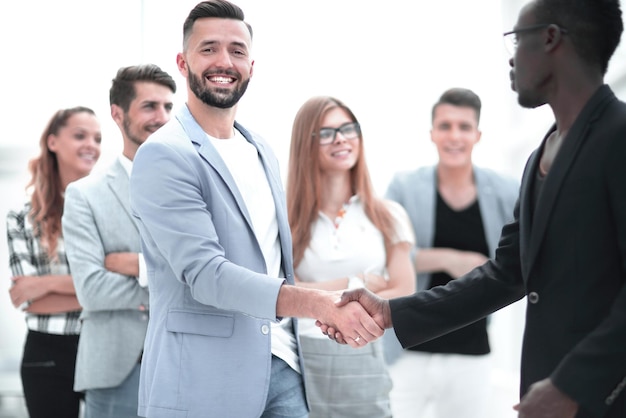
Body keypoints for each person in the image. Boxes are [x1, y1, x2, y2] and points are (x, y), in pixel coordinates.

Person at [325, 0, 626, 417]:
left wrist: (571, 385)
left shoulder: (619, 137)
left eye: (517, 40)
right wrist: (391, 311)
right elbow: (506, 274)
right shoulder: (541, 155)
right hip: (544, 392)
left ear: (550, 39)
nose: (511, 59)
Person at [128, 1, 383, 417]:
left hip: (283, 367)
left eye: (237, 50)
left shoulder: (261, 149)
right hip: (203, 380)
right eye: (208, 48)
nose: (224, 61)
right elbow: (206, 276)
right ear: (182, 61)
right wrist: (319, 303)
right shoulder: (164, 155)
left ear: (251, 64)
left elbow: (274, 262)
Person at [383, 87, 519, 418]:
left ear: (478, 134)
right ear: (432, 133)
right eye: (445, 126)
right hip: (408, 349)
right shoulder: (403, 186)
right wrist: (449, 259)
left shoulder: (505, 190)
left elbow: (520, 259)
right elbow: (384, 256)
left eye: (464, 127)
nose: (454, 136)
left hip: (471, 351)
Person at [286, 96, 416, 418]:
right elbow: (284, 289)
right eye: (327, 132)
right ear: (307, 143)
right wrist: (356, 283)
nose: (341, 138)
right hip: (302, 358)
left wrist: (315, 292)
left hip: (365, 353)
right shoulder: (285, 219)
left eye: (348, 129)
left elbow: (404, 290)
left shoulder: (388, 214)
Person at [61, 64, 176, 418]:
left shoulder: (193, 189)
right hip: (114, 371)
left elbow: (213, 270)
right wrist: (172, 284)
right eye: (150, 106)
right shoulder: (84, 194)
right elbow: (92, 289)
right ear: (118, 113)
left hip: (183, 365)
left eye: (169, 107)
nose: (162, 117)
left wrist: (138, 266)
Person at [6, 106, 102, 418]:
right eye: (80, 135)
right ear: (53, 142)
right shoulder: (20, 218)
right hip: (45, 353)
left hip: (104, 348)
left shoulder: (108, 213)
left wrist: (45, 284)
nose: (92, 145)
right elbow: (30, 301)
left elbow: (123, 285)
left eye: (98, 138)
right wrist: (96, 288)